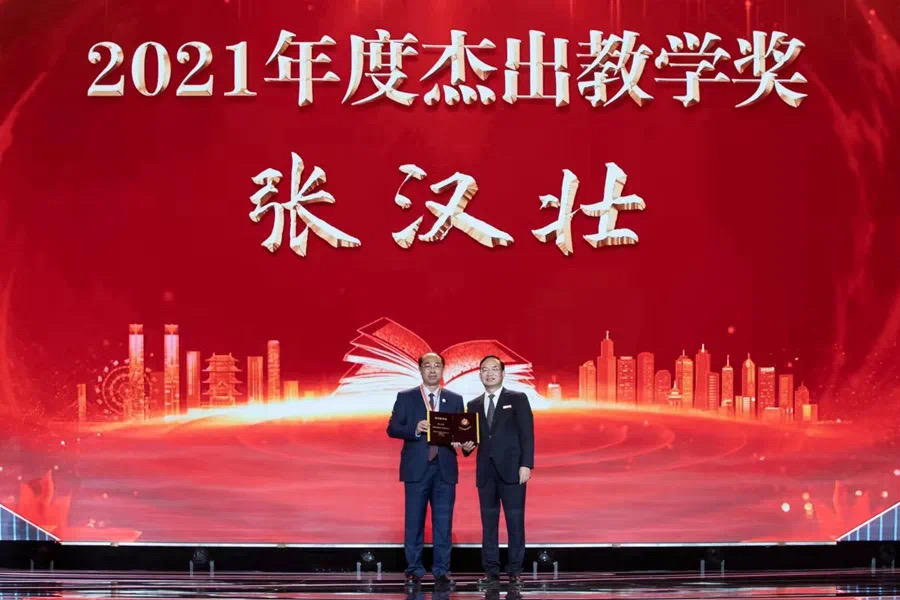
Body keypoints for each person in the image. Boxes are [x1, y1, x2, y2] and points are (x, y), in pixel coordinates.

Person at [387, 352, 465, 589]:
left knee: (444, 523)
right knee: (414, 521)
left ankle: (442, 571)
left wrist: (463, 442)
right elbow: (392, 428)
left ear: (443, 369)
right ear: (420, 370)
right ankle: (413, 570)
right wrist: (415, 428)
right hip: (416, 469)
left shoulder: (455, 399)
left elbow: (463, 433)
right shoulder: (406, 397)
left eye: (437, 366)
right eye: (427, 366)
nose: (432, 370)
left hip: (445, 469)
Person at [464, 355, 534, 587]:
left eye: (494, 369)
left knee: (515, 522)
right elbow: (470, 441)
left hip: (513, 471)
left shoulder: (517, 399)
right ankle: (491, 571)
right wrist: (465, 446)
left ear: (503, 373)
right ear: (480, 374)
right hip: (486, 474)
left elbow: (527, 434)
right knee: (488, 524)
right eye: (485, 369)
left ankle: (515, 571)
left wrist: (526, 464)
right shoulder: (473, 405)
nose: (489, 373)